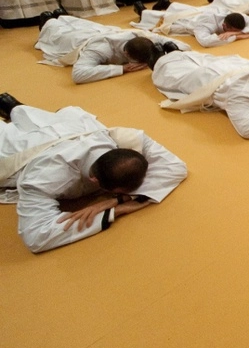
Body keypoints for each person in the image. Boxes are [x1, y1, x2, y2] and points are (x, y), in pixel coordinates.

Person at [0, 100, 187, 253]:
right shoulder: (43, 177)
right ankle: (12, 108)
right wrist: (115, 212)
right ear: (95, 181)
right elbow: (36, 236)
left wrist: (115, 204)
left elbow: (175, 167)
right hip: (26, 151)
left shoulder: (125, 139)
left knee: (31, 117)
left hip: (67, 129)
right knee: (8, 136)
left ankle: (12, 106)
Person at [36, 15, 188, 83]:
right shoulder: (100, 49)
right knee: (54, 29)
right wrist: (122, 69)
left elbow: (176, 43)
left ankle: (57, 17)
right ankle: (46, 22)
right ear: (126, 54)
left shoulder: (139, 36)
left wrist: (174, 49)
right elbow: (78, 74)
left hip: (100, 30)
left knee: (74, 22)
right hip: (78, 40)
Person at [132, 1, 249, 47]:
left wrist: (238, 32)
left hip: (199, 11)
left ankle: (162, 5)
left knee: (179, 9)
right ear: (225, 26)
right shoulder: (206, 24)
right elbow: (205, 42)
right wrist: (237, 37)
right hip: (187, 21)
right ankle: (141, 11)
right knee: (159, 19)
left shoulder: (238, 17)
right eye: (231, 30)